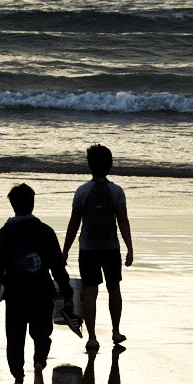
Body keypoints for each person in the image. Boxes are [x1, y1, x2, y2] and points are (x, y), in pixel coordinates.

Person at [0, 183, 76, 384]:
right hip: (42, 292)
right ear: (33, 204)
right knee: (42, 334)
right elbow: (57, 267)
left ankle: (17, 379)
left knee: (15, 338)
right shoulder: (45, 232)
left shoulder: (4, 234)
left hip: (15, 295)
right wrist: (67, 294)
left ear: (13, 206)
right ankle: (39, 364)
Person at [62, 143, 133, 352]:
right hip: (110, 248)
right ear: (110, 165)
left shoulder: (82, 192)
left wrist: (65, 251)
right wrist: (129, 248)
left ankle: (92, 337)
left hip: (88, 248)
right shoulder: (116, 191)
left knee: (90, 291)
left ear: (89, 166)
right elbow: (123, 221)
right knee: (114, 289)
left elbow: (73, 224)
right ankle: (116, 331)